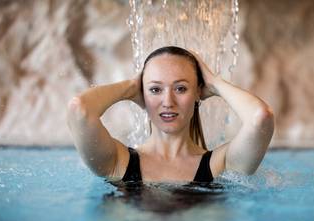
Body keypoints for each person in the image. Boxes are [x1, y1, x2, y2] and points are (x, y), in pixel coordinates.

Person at [67, 46, 274, 183]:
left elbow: (260, 117)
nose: (168, 102)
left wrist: (214, 83)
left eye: (181, 89)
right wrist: (130, 87)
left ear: (197, 94)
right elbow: (79, 109)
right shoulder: (117, 162)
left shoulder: (220, 164)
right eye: (155, 90)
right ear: (142, 94)